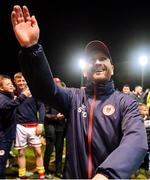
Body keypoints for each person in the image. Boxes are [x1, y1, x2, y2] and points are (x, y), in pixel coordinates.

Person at [11, 5, 148, 179]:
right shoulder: (74, 97)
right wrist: (31, 49)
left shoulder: (125, 102)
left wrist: (107, 174)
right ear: (84, 71)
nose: (97, 62)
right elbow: (45, 90)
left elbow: (136, 140)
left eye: (103, 58)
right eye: (92, 60)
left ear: (112, 69)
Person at [13, 72, 45, 179]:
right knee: (21, 153)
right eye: (19, 81)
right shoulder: (13, 94)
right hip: (20, 127)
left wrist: (40, 123)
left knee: (38, 152)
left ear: (26, 81)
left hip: (34, 126)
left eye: (23, 80)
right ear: (15, 82)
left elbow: (42, 107)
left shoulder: (34, 92)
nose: (21, 83)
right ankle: (22, 175)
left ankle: (41, 175)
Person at [0, 74, 30, 179]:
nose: (11, 86)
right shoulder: (2, 97)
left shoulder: (9, 95)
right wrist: (23, 96)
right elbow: (7, 106)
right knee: (1, 162)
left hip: (8, 134)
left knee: (3, 161)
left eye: (11, 83)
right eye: (8, 84)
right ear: (1, 87)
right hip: (3, 136)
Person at [44, 77, 66, 178]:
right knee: (49, 149)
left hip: (61, 126)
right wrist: (55, 117)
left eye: (58, 84)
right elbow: (44, 114)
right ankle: (46, 169)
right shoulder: (47, 98)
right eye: (55, 84)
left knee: (59, 149)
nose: (57, 86)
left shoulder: (63, 97)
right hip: (50, 126)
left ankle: (58, 170)